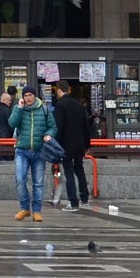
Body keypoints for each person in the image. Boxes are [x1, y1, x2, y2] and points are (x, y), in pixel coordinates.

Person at [8, 85, 53, 222]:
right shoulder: (18, 109)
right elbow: (12, 123)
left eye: (30, 95)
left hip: (39, 150)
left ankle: (37, 211)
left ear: (35, 96)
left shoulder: (44, 109)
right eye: (25, 96)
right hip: (22, 149)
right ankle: (25, 208)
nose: (27, 98)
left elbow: (52, 126)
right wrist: (19, 109)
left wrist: (48, 134)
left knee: (38, 182)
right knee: (20, 179)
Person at [52, 81, 95, 211]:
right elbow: (85, 126)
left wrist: (56, 145)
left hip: (66, 144)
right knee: (79, 169)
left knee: (69, 172)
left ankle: (73, 201)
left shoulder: (60, 106)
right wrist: (87, 143)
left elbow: (59, 127)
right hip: (79, 143)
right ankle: (84, 198)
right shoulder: (78, 105)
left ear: (59, 90)